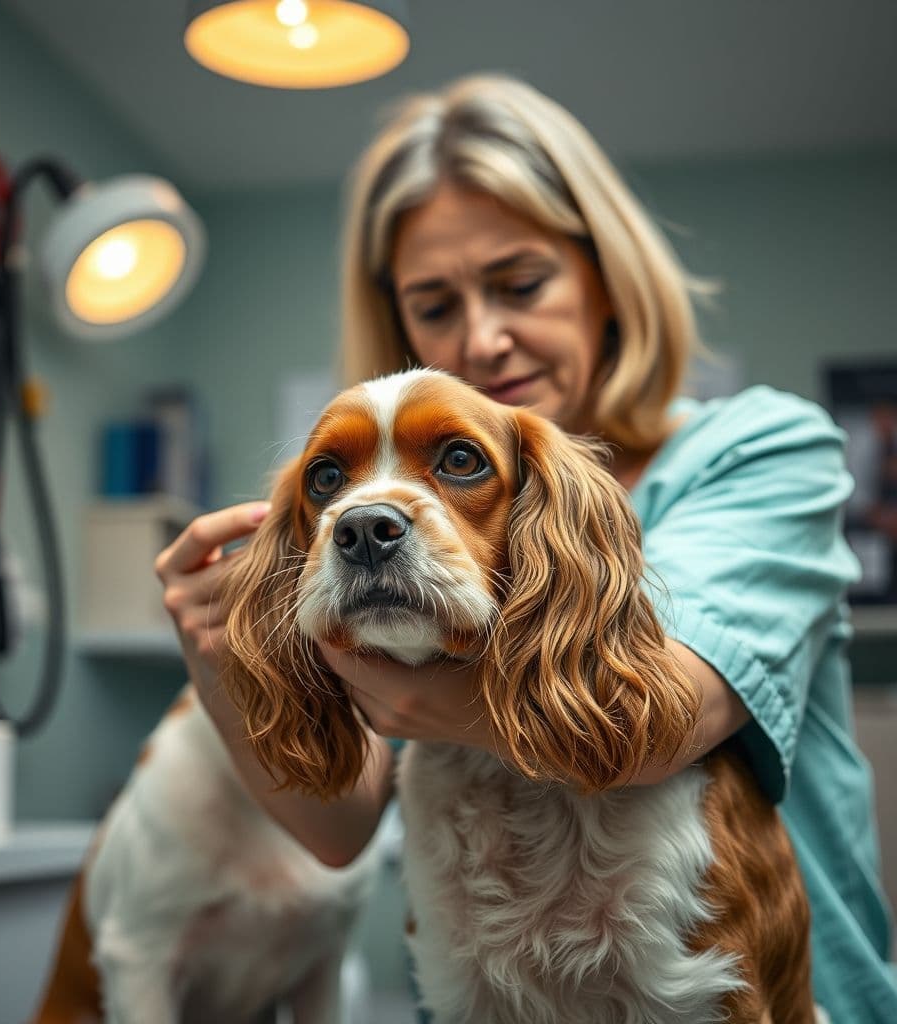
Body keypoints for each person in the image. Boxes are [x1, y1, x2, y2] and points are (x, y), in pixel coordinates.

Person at [155, 75, 897, 1021]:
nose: (485, 337)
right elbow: (337, 826)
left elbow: (653, 720)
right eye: (435, 304)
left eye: (520, 283)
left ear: (604, 274)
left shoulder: (762, 448)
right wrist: (224, 650)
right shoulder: (388, 543)